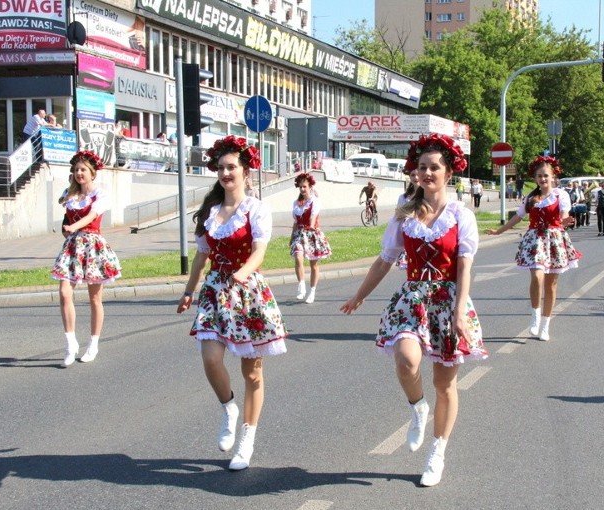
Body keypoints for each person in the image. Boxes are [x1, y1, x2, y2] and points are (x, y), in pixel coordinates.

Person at [340, 133, 488, 487]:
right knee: (406, 361)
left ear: (447, 173)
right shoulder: (405, 214)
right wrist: (360, 294)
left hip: (448, 300)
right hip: (412, 298)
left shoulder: (460, 216)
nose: (426, 173)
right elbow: (385, 259)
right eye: (421, 167)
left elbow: (464, 266)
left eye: (433, 167)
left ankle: (437, 451)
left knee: (444, 383)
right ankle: (417, 406)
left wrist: (458, 311)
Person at [176, 135, 287, 471]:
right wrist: (188, 290)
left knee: (251, 372)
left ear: (245, 172)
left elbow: (259, 252)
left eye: (232, 167)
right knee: (210, 357)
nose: (226, 173)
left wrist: (242, 274)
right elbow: (201, 256)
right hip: (215, 291)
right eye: (222, 167)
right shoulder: (210, 213)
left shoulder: (256, 209)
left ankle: (247, 439)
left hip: (248, 292)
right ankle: (228, 408)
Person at [486, 155, 581, 341]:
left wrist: (565, 221)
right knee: (537, 276)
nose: (543, 179)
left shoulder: (561, 195)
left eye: (546, 175)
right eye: (539, 176)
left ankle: (546, 324)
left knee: (551, 284)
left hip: (554, 239)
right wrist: (499, 231)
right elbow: (517, 217)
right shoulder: (531, 197)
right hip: (535, 240)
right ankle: (535, 315)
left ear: (553, 177)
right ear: (535, 178)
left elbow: (564, 215)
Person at [50, 150, 122, 367]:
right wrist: (66, 229)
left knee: (95, 299)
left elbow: (92, 216)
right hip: (73, 246)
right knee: (64, 292)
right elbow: (67, 219)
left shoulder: (100, 194)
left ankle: (93, 343)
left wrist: (74, 226)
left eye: (83, 170)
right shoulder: (70, 195)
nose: (79, 173)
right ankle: (70, 343)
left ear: (92, 173)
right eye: (76, 170)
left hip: (92, 246)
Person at [290, 172, 332, 304]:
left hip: (311, 234)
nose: (302, 189)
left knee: (313, 264)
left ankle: (312, 291)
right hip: (299, 234)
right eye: (300, 187)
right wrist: (292, 237)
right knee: (298, 257)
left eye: (304, 187)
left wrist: (312, 228)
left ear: (310, 187)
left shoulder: (315, 201)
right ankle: (301, 285)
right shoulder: (296, 203)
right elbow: (296, 222)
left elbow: (313, 217)